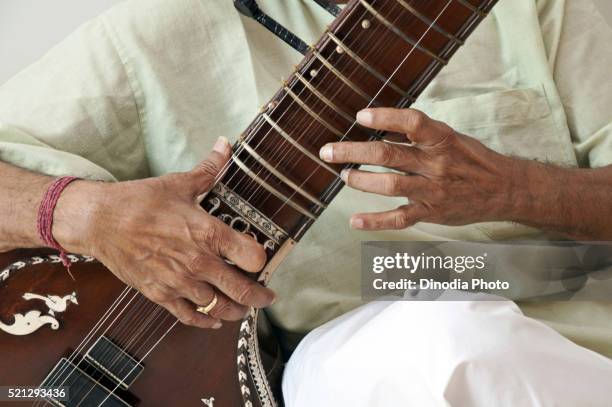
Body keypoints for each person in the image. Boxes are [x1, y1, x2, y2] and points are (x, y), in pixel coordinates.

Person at [1, 0, 611, 405]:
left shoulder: (544, 9)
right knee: (444, 343)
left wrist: (515, 187)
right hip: (347, 361)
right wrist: (87, 214)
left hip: (578, 342)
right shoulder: (160, 31)